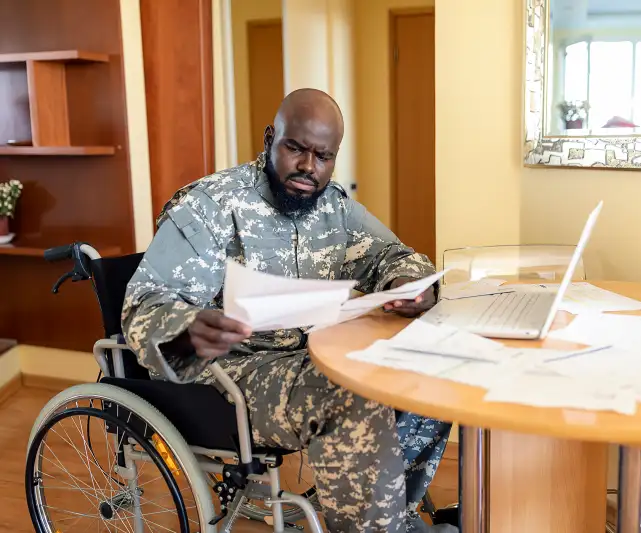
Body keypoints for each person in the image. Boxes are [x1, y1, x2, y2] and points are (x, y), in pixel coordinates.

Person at [122, 88, 454, 533]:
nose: (307, 168)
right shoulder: (211, 207)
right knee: (346, 389)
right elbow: (144, 302)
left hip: (301, 359)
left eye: (323, 156)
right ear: (269, 139)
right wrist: (187, 328)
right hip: (226, 374)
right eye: (295, 148)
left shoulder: (333, 208)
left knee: (430, 368)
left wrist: (407, 286)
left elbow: (396, 256)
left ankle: (392, 516)